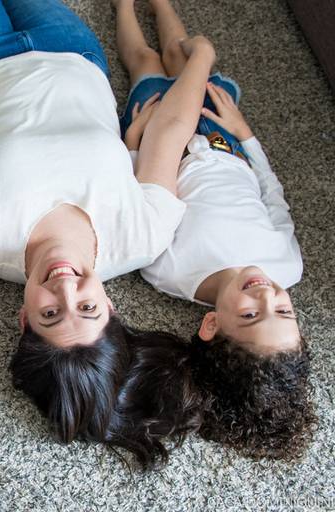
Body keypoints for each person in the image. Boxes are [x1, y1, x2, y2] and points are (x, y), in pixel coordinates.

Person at [0, 0, 214, 468]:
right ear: (111, 307)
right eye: (87, 307)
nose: (65, 287)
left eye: (51, 313)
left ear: (24, 320)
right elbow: (170, 130)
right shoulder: (145, 235)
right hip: (74, 54)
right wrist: (203, 56)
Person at [114, 0, 314, 459]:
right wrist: (247, 136)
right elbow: (273, 199)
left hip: (165, 140)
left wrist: (130, 145)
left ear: (211, 324)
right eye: (284, 311)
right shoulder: (287, 266)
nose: (267, 295)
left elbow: (142, 196)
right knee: (182, 55)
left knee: (146, 62)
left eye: (251, 316)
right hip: (226, 141)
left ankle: (124, 6)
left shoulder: (167, 271)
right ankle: (161, 5)